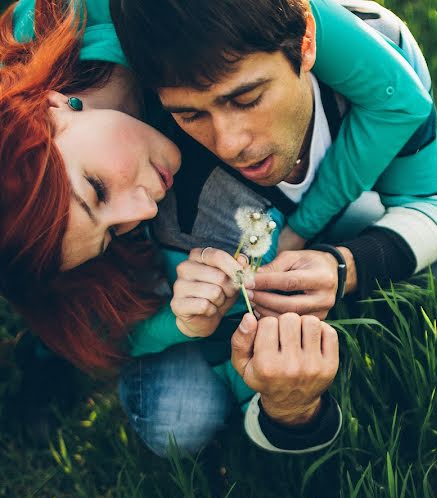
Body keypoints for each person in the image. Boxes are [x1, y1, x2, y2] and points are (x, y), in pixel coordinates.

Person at [1, 0, 337, 455]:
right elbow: (106, 324)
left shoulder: (105, 18)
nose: (140, 210)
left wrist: (313, 228)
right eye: (108, 236)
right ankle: (46, 355)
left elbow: (369, 68)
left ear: (54, 106)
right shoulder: (83, 218)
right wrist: (182, 324)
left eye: (97, 189)